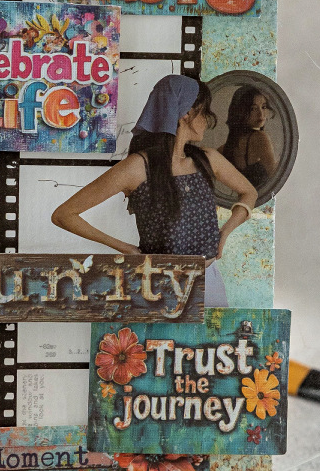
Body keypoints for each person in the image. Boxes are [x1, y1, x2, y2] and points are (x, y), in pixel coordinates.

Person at [50, 74, 256, 307]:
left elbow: (249, 192)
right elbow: (63, 215)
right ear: (186, 113)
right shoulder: (137, 167)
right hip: (158, 287)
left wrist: (225, 232)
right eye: (204, 111)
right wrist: (125, 249)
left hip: (210, 282)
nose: (208, 120)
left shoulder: (208, 159)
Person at [219, 85, 278, 191]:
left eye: (264, 107)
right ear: (241, 111)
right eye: (253, 109)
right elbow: (276, 179)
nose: (261, 114)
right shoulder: (260, 137)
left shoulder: (228, 146)